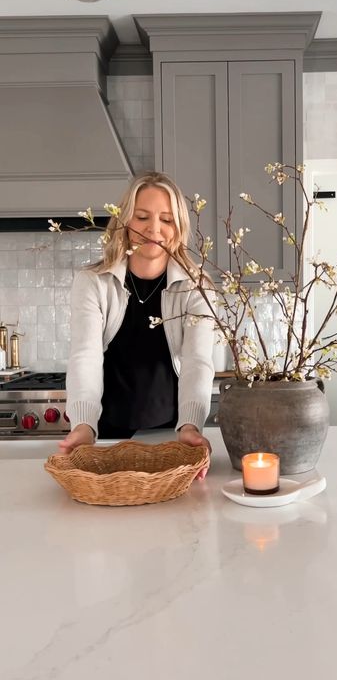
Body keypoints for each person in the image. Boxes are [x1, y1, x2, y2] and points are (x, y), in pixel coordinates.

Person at [58, 171, 215, 479]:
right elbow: (85, 356)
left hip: (170, 437)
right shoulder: (92, 283)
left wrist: (190, 426)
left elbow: (198, 362)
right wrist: (84, 425)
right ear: (125, 222)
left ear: (178, 228)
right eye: (142, 217)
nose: (153, 229)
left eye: (166, 220)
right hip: (105, 439)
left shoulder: (197, 288)